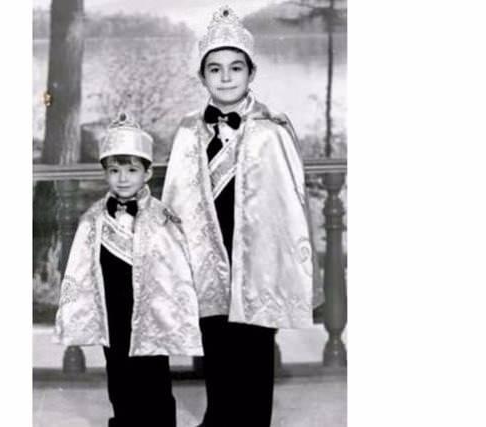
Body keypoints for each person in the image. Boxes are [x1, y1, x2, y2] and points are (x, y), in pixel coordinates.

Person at [161, 6, 323, 427]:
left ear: (252, 73)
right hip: (207, 260)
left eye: (236, 68)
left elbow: (288, 206)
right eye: (215, 69)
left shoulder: (273, 130)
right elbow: (177, 201)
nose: (226, 77)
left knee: (254, 354)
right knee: (215, 350)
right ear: (202, 76)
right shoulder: (186, 133)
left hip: (256, 263)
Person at [54, 113, 203, 427]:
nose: (122, 178)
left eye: (132, 170)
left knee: (154, 379)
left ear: (147, 172)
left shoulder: (163, 218)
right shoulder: (93, 219)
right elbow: (81, 269)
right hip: (113, 314)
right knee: (119, 377)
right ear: (105, 173)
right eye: (114, 170)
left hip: (151, 314)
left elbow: (175, 269)